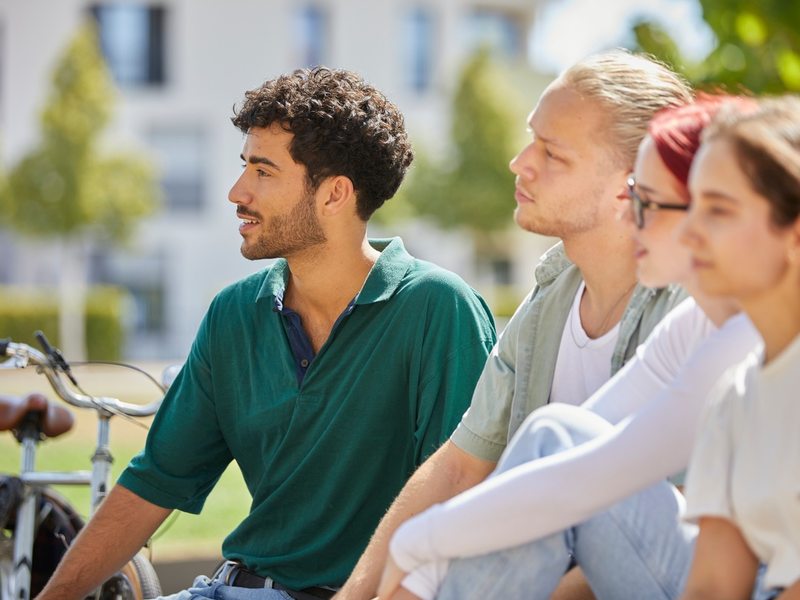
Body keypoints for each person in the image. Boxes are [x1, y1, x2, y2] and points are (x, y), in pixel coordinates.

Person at [34, 67, 497, 600]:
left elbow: (461, 504)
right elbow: (154, 481)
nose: (237, 191)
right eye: (244, 167)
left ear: (334, 194)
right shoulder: (234, 313)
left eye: (263, 172)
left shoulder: (437, 309)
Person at [336, 49, 693, 600]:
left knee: (553, 446)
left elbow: (680, 523)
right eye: (532, 139)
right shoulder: (550, 299)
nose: (520, 162)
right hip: (523, 574)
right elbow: (458, 468)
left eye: (552, 153)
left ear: (633, 181)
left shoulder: (695, 306)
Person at [378, 96, 766, 600]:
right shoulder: (698, 327)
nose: (631, 220)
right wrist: (420, 561)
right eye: (632, 195)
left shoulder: (756, 342)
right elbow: (575, 463)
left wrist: (416, 546)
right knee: (555, 434)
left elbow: (581, 475)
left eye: (647, 201)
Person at [680, 96, 800, 600]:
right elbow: (712, 585)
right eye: (691, 205)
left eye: (719, 210)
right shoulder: (733, 398)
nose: (689, 231)